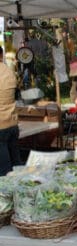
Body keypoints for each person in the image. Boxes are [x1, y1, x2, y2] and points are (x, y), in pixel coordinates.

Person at [0, 46, 21, 176]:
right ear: (1, 55)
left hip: (0, 126)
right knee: (17, 166)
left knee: (4, 172)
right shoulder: (9, 71)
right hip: (12, 123)